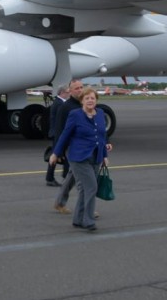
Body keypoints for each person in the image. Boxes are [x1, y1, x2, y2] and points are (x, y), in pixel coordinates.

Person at [49, 87, 109, 231]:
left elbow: (102, 136)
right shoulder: (75, 114)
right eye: (87, 98)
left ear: (96, 101)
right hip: (78, 157)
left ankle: (78, 219)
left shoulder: (100, 113)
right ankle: (87, 220)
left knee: (84, 190)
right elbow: (65, 134)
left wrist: (105, 156)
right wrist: (55, 153)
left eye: (93, 98)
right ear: (82, 100)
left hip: (95, 156)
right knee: (91, 187)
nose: (90, 101)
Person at [51, 79, 83, 213]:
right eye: (77, 88)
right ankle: (86, 209)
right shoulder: (65, 107)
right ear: (70, 91)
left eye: (81, 87)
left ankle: (59, 202)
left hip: (84, 147)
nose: (80, 90)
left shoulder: (85, 104)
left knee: (72, 176)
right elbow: (60, 130)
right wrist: (57, 151)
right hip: (72, 148)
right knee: (85, 180)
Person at [45, 85, 70, 187]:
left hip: (58, 133)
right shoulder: (60, 104)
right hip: (59, 133)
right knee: (61, 155)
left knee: (60, 155)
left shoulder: (58, 103)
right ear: (62, 92)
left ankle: (60, 176)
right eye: (68, 92)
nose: (69, 94)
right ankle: (57, 177)